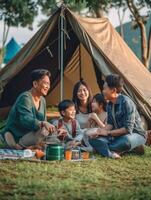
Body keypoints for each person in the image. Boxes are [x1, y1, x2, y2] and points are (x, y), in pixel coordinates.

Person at [89, 74, 146, 159]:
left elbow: (128, 129)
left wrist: (107, 133)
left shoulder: (127, 103)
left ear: (113, 90)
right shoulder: (109, 104)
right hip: (118, 135)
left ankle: (134, 147)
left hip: (135, 134)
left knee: (125, 141)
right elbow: (110, 124)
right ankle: (115, 151)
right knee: (92, 139)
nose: (103, 91)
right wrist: (100, 132)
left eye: (105, 88)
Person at [1, 69, 55, 149]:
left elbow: (44, 121)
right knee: (43, 132)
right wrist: (43, 124)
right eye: (45, 83)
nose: (48, 87)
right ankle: (20, 146)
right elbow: (26, 120)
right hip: (16, 136)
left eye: (49, 84)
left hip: (31, 135)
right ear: (35, 84)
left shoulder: (42, 100)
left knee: (55, 135)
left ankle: (32, 146)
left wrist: (54, 128)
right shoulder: (25, 97)